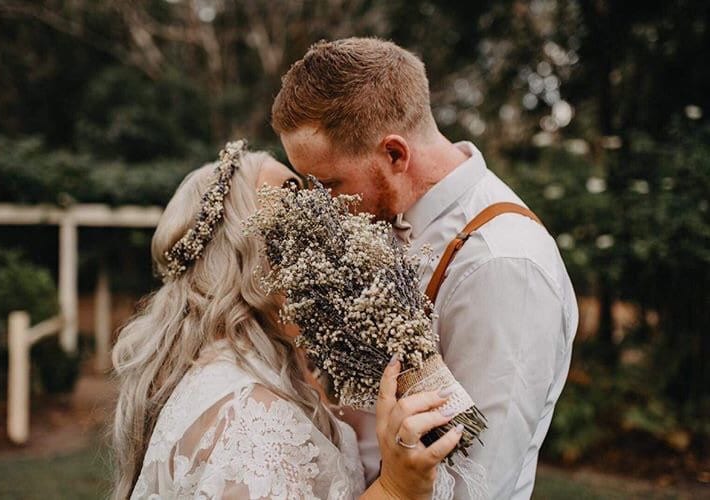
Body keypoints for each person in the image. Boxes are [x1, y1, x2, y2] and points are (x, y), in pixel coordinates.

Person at [272, 38, 579, 499]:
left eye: (330, 183)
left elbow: (476, 484)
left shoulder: (501, 264)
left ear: (395, 155)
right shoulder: (382, 226)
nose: (321, 205)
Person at [111, 140, 465, 500]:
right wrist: (396, 489)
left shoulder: (251, 377)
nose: (326, 223)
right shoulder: (245, 418)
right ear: (247, 257)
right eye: (294, 207)